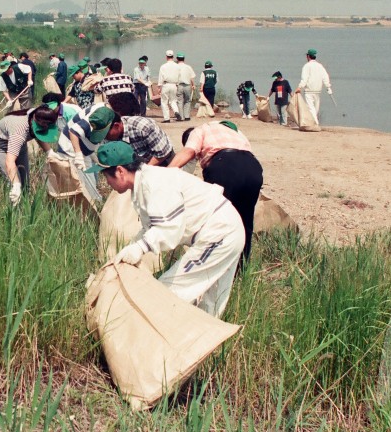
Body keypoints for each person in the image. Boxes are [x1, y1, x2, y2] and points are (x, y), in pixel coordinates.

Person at [91, 142, 244, 317]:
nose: (106, 182)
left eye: (106, 176)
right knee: (210, 300)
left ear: (120, 171)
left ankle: (154, 336)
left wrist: (139, 248)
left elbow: (171, 229)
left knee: (168, 292)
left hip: (220, 234)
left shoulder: (155, 184)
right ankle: (200, 340)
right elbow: (155, 226)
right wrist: (133, 246)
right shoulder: (145, 181)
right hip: (224, 229)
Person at [169, 120, 263, 266]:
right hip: (253, 168)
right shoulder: (233, 132)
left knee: (215, 219)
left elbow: (188, 152)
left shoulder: (199, 131)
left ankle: (210, 266)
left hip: (224, 165)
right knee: (245, 221)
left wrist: (163, 173)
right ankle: (241, 269)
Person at [0, 104, 59, 206]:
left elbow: (38, 133)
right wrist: (16, 185)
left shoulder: (38, 113)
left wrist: (49, 152)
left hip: (19, 143)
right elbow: (10, 161)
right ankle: (14, 212)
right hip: (0, 144)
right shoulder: (20, 131)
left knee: (25, 182)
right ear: (34, 122)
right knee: (14, 182)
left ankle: (25, 208)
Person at [106, 113, 175, 166]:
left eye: (106, 134)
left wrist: (143, 173)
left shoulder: (143, 127)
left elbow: (162, 153)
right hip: (139, 163)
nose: (105, 138)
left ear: (116, 126)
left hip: (163, 162)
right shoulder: (113, 136)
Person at [294, 48, 332, 123]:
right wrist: (328, 87)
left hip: (309, 91)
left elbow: (304, 79)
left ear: (308, 56)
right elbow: (325, 77)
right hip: (318, 90)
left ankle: (315, 123)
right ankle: (314, 122)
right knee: (315, 108)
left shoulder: (307, 66)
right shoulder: (320, 66)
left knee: (311, 108)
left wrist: (299, 87)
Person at [158, 49, 182, 123]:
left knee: (164, 102)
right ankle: (176, 111)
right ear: (173, 56)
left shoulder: (163, 66)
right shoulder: (177, 66)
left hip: (166, 84)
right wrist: (177, 84)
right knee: (173, 101)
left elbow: (161, 77)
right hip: (174, 85)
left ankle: (167, 118)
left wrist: (159, 86)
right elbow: (179, 76)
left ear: (166, 57)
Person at [176, 52, 197, 120]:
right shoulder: (188, 67)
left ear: (177, 59)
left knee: (179, 101)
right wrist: (193, 85)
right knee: (187, 101)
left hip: (178, 85)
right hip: (187, 85)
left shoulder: (175, 67)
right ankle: (187, 116)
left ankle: (181, 117)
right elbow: (192, 77)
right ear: (184, 59)